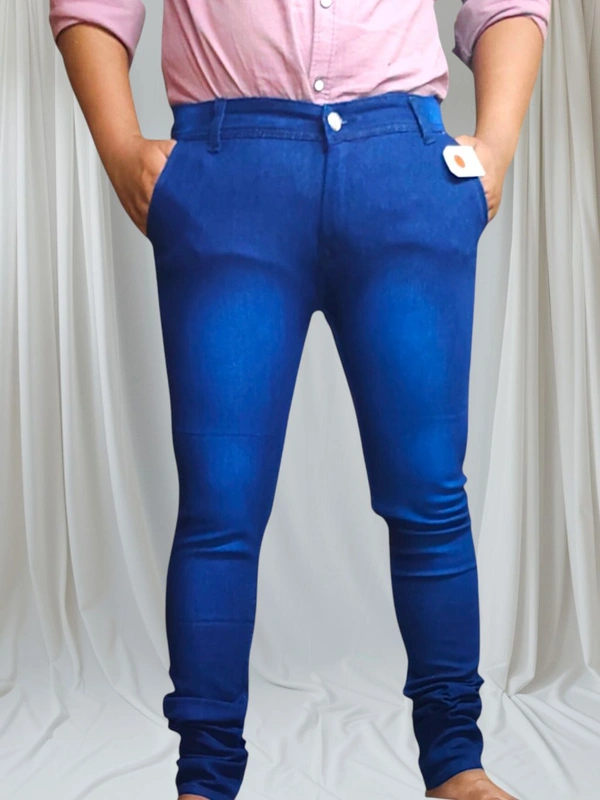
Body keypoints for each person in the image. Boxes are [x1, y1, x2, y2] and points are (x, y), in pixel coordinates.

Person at [48, 1, 550, 798]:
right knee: (220, 507)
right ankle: (204, 781)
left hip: (401, 167)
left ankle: (457, 768)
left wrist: (497, 145)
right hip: (231, 176)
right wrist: (121, 153)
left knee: (429, 495)